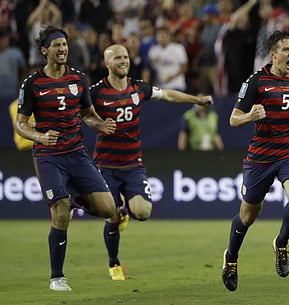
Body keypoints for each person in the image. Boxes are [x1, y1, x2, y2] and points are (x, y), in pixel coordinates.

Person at [221, 30, 289, 292]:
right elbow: (233, 118)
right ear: (273, 54)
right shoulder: (256, 82)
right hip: (261, 156)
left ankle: (281, 244)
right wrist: (250, 116)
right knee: (248, 216)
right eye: (286, 49)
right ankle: (231, 259)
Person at [89, 44, 213, 280]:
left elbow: (166, 94)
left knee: (143, 212)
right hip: (106, 166)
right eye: (117, 58)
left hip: (133, 165)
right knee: (110, 218)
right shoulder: (96, 93)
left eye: (125, 57)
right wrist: (97, 124)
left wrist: (195, 99)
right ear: (107, 64)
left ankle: (124, 210)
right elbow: (82, 114)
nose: (123, 61)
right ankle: (114, 263)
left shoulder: (137, 88)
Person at [14, 25, 117, 291]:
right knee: (60, 211)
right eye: (56, 45)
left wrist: (100, 124)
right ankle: (57, 277)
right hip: (49, 155)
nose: (62, 49)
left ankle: (74, 200)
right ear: (44, 51)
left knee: (109, 209)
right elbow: (21, 123)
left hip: (77, 152)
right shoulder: (33, 83)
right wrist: (38, 137)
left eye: (65, 44)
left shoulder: (78, 79)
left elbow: (87, 115)